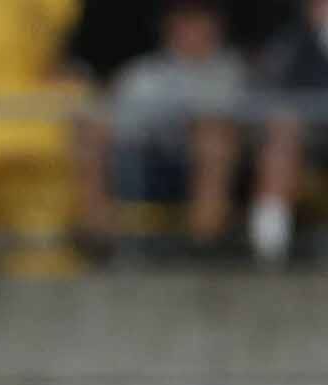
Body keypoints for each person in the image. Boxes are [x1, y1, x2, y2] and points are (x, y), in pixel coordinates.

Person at [104, 0, 247, 248]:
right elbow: (118, 127)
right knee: (92, 133)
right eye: (182, 18)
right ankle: (102, 241)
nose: (190, 27)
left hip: (222, 168)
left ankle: (204, 243)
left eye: (198, 18)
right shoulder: (143, 73)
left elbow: (246, 128)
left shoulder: (235, 71)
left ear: (216, 24)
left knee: (212, 140)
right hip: (152, 165)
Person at [249, 0, 328, 263]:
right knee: (281, 139)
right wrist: (323, 48)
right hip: (303, 137)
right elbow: (274, 94)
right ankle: (269, 247)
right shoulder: (290, 45)